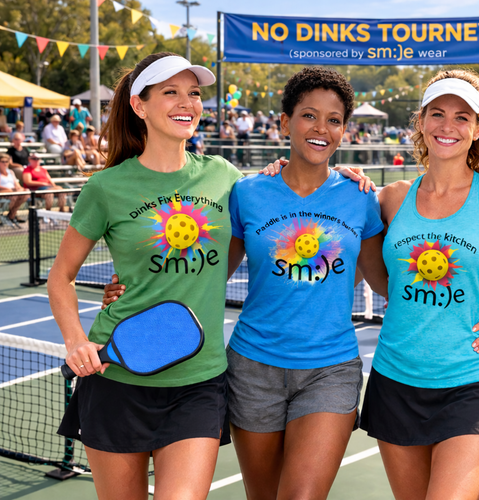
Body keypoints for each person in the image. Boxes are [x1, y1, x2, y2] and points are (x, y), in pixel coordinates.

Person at [100, 66, 379, 500]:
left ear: (345, 129)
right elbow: (208, 268)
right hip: (252, 368)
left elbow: (381, 275)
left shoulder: (361, 196)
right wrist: (131, 285)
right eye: (308, 115)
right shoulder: (246, 192)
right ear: (285, 123)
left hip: (331, 368)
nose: (321, 128)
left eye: (334, 119)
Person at [48, 52, 239, 500]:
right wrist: (76, 340)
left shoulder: (225, 177)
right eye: (169, 92)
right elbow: (61, 277)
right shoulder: (105, 188)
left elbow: (275, 206)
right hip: (115, 382)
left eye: (193, 93)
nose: (186, 102)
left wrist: (341, 176)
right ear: (139, 105)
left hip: (199, 382)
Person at [359, 69, 479, 500]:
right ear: (421, 121)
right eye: (438, 113)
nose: (448, 126)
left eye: (462, 117)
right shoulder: (390, 197)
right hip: (395, 378)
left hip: (473, 381)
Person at [0, 153, 29, 226]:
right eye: (2, 161)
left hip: (13, 192)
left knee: (25, 193)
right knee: (15, 195)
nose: (5, 163)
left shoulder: (11, 172)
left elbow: (16, 183)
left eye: (6, 161)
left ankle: (11, 214)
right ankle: (12, 215)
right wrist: (10, 189)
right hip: (3, 192)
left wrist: (19, 188)